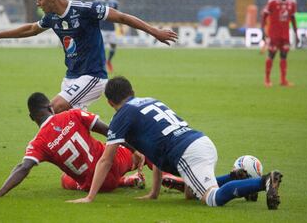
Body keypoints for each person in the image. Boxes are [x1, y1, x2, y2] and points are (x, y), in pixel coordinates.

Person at [70, 76, 283, 210]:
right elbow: (156, 152)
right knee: (191, 193)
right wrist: (154, 193)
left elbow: (106, 160)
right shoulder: (151, 100)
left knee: (212, 199)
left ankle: (262, 182)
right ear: (132, 92)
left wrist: (90, 197)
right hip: (199, 141)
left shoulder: (122, 117)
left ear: (109, 102)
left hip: (187, 154)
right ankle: (235, 178)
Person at [0, 0, 178, 113]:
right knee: (75, 123)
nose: (38, 3)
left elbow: (122, 17)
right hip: (71, 77)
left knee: (51, 109)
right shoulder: (52, 17)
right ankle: (128, 151)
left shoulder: (85, 9)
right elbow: (31, 29)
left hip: (92, 76)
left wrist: (155, 32)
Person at [0, 92, 145, 198]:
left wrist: (0, 192)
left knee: (65, 180)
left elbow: (23, 167)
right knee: (142, 145)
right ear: (50, 107)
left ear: (32, 117)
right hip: (115, 162)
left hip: (99, 185)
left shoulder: (38, 143)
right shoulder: (73, 114)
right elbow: (110, 131)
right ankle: (166, 173)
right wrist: (135, 150)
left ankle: (125, 181)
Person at [261, 0, 299, 87]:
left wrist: (296, 33)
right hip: (274, 35)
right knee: (271, 55)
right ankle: (267, 80)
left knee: (284, 56)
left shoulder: (292, 4)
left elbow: (293, 19)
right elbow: (264, 16)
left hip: (285, 35)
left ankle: (283, 80)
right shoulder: (272, 2)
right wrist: (263, 31)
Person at [95, 0, 121, 73]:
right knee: (100, 47)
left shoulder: (114, 3)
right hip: (101, 28)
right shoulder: (97, 2)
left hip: (111, 28)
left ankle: (108, 61)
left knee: (113, 45)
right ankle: (101, 64)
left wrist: (120, 26)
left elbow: (118, 15)